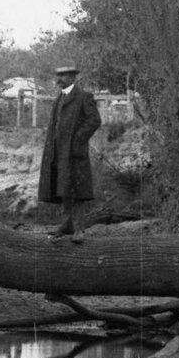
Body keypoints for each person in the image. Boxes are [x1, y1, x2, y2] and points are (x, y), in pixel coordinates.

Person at [37, 61, 102, 238]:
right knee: (63, 188)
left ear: (73, 77)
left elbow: (94, 120)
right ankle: (66, 225)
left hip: (74, 153)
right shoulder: (59, 98)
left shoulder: (83, 97)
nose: (59, 79)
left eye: (63, 76)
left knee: (77, 190)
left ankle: (79, 230)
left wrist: (77, 140)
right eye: (58, 76)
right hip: (58, 152)